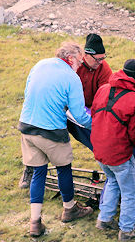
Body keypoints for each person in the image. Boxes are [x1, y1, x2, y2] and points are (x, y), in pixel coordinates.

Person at [18, 42, 94, 237]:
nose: (80, 66)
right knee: (63, 168)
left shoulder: (40, 64)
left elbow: (28, 93)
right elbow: (79, 114)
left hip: (27, 126)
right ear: (71, 59)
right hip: (51, 130)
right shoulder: (71, 77)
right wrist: (98, 126)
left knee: (39, 173)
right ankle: (69, 208)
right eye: (79, 61)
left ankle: (35, 222)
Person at [18, 34, 112, 188]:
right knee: (38, 134)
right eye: (98, 59)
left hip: (86, 110)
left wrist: (98, 119)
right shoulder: (73, 67)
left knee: (96, 138)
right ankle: (30, 167)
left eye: (103, 58)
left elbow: (105, 93)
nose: (101, 62)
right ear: (86, 55)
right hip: (65, 109)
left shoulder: (103, 68)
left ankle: (108, 165)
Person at [90, 59, 135, 242]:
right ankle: (127, 229)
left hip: (99, 149)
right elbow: (134, 132)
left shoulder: (103, 88)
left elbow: (93, 115)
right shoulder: (134, 99)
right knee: (131, 190)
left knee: (112, 181)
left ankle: (104, 219)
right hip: (118, 153)